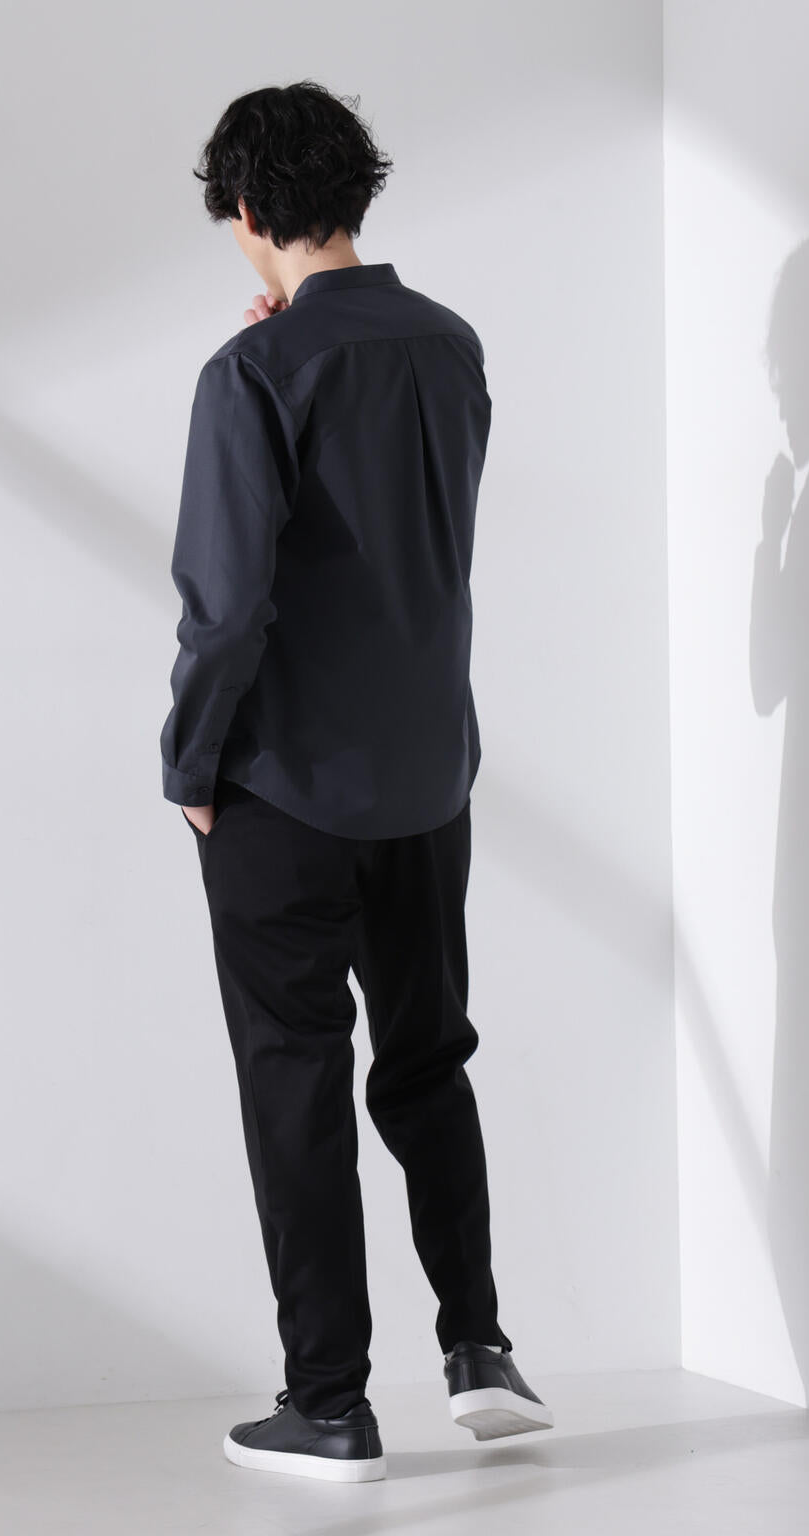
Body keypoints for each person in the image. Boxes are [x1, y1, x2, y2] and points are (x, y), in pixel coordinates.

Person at [159, 80, 553, 1483]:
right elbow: (407, 538)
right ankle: (480, 1345)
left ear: (246, 208)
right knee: (429, 1061)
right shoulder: (450, 346)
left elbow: (226, 608)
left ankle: (328, 1401)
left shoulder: (248, 373)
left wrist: (189, 762)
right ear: (357, 193)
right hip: (428, 777)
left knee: (297, 1084)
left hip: (282, 788)